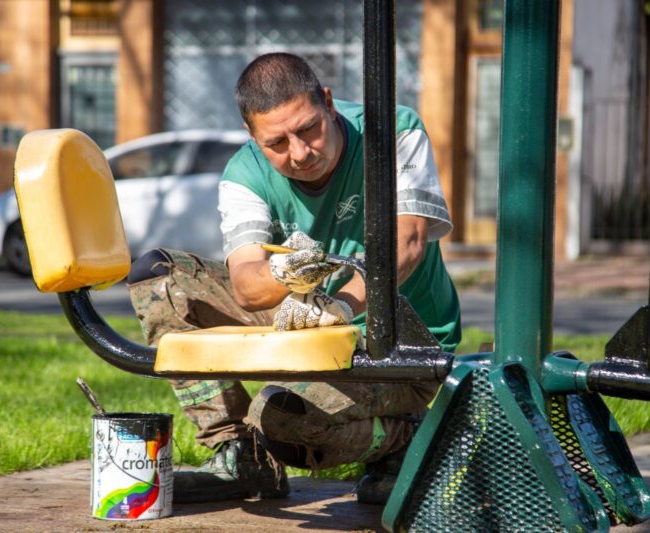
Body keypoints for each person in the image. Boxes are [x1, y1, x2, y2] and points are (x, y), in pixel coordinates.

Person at [126, 52, 461, 505]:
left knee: (280, 418)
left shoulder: (392, 132)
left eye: (308, 130)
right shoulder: (244, 174)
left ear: (328, 101)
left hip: (402, 348)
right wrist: (286, 270)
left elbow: (408, 243)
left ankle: (408, 438)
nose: (300, 153)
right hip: (310, 329)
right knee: (160, 278)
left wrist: (339, 307)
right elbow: (247, 286)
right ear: (251, 135)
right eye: (277, 143)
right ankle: (241, 457)